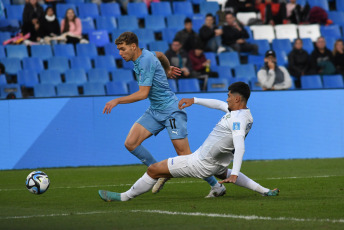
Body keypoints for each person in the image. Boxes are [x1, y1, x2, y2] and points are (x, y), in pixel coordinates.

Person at [98, 81, 280, 202]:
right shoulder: (242, 113)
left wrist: (236, 173)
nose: (227, 99)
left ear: (237, 99)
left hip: (200, 162)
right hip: (215, 162)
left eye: (229, 96)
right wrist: (194, 100)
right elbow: (219, 105)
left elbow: (240, 147)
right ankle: (265, 191)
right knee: (224, 172)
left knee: (154, 170)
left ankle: (123, 197)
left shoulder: (237, 120)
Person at [103, 32, 222, 197]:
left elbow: (143, 93)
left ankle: (217, 186)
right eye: (119, 50)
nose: (120, 53)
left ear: (133, 46)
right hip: (155, 110)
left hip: (171, 111)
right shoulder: (145, 55)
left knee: (185, 156)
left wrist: (117, 101)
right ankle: (159, 172)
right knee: (131, 143)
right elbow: (159, 54)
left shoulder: (144, 61)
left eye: (122, 49)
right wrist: (166, 69)